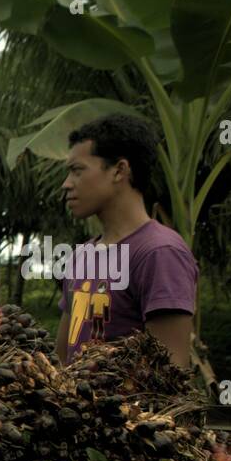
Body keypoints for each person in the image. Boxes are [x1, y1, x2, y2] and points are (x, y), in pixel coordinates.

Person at [56, 114, 197, 369]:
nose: (66, 184)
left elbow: (170, 376)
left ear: (119, 171)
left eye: (77, 171)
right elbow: (62, 358)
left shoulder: (159, 253)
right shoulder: (81, 255)